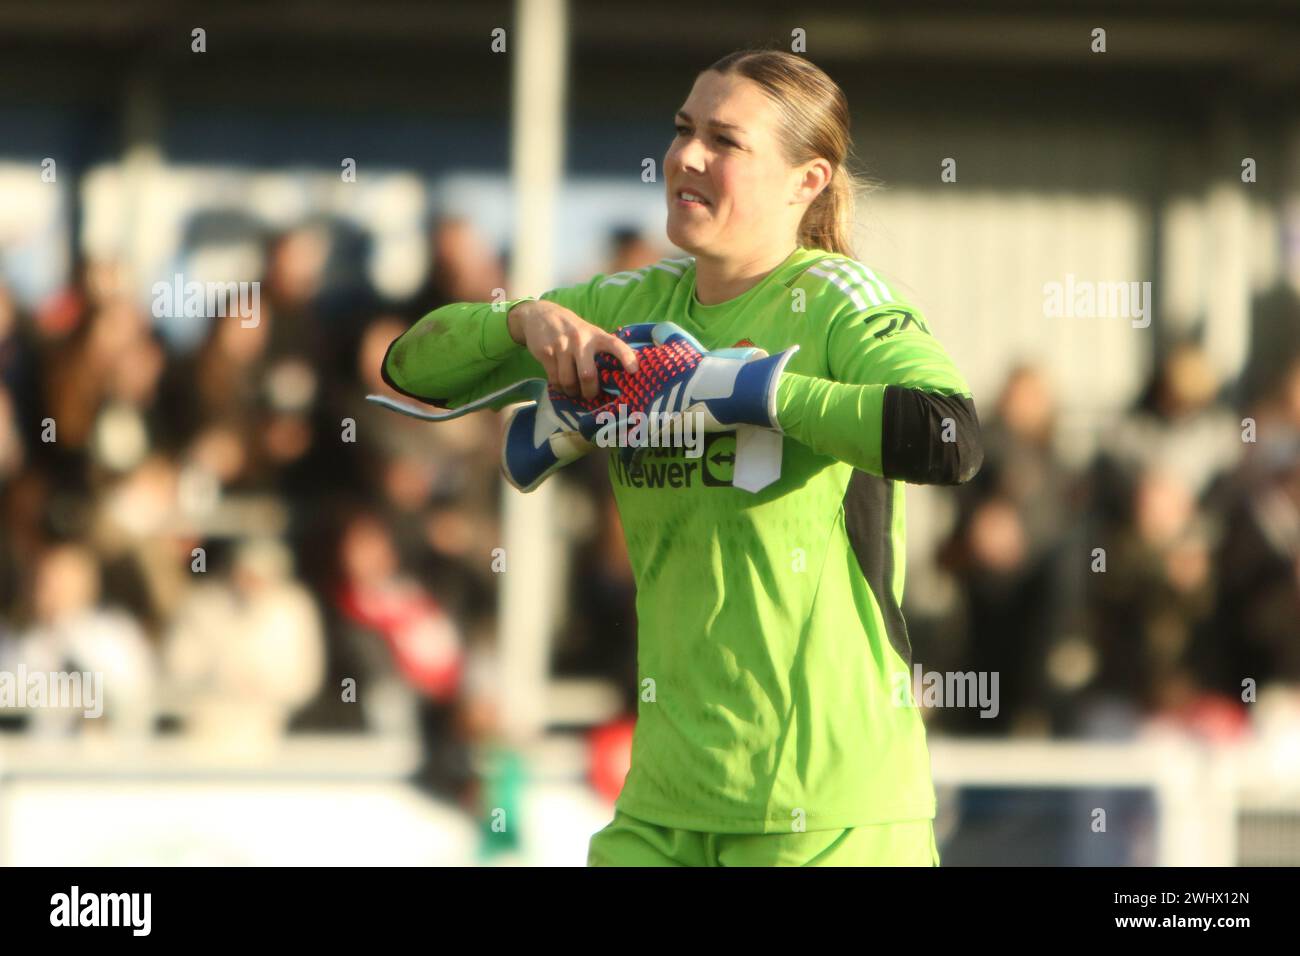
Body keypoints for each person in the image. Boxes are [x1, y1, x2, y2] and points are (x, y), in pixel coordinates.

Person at [381, 49, 983, 866]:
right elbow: (411, 370)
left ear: (807, 180)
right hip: (664, 805)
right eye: (682, 129)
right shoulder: (629, 302)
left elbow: (951, 437)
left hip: (829, 813)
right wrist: (523, 322)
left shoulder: (839, 300)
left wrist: (756, 392)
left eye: (726, 141)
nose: (687, 157)